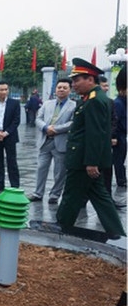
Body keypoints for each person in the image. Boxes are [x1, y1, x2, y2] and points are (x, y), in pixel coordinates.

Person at [56, 58, 125, 239]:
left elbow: (95, 134)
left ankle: (60, 230)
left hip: (83, 162)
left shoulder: (94, 101)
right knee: (101, 199)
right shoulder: (91, 98)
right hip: (85, 160)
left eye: (77, 80)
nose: (74, 84)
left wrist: (91, 162)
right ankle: (119, 236)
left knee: (71, 197)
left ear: (90, 79)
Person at [26, 78, 75, 204]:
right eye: (59, 87)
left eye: (65, 88)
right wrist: (45, 127)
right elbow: (38, 118)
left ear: (70, 90)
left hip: (61, 142)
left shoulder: (74, 106)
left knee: (59, 171)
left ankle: (54, 195)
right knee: (41, 168)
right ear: (55, 89)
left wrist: (56, 129)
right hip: (45, 140)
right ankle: (38, 193)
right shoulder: (47, 104)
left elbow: (73, 123)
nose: (61, 90)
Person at [112, 66, 127, 207]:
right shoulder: (118, 103)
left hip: (123, 135)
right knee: (118, 160)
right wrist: (114, 136)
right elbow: (115, 122)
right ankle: (121, 180)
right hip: (119, 137)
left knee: (121, 159)